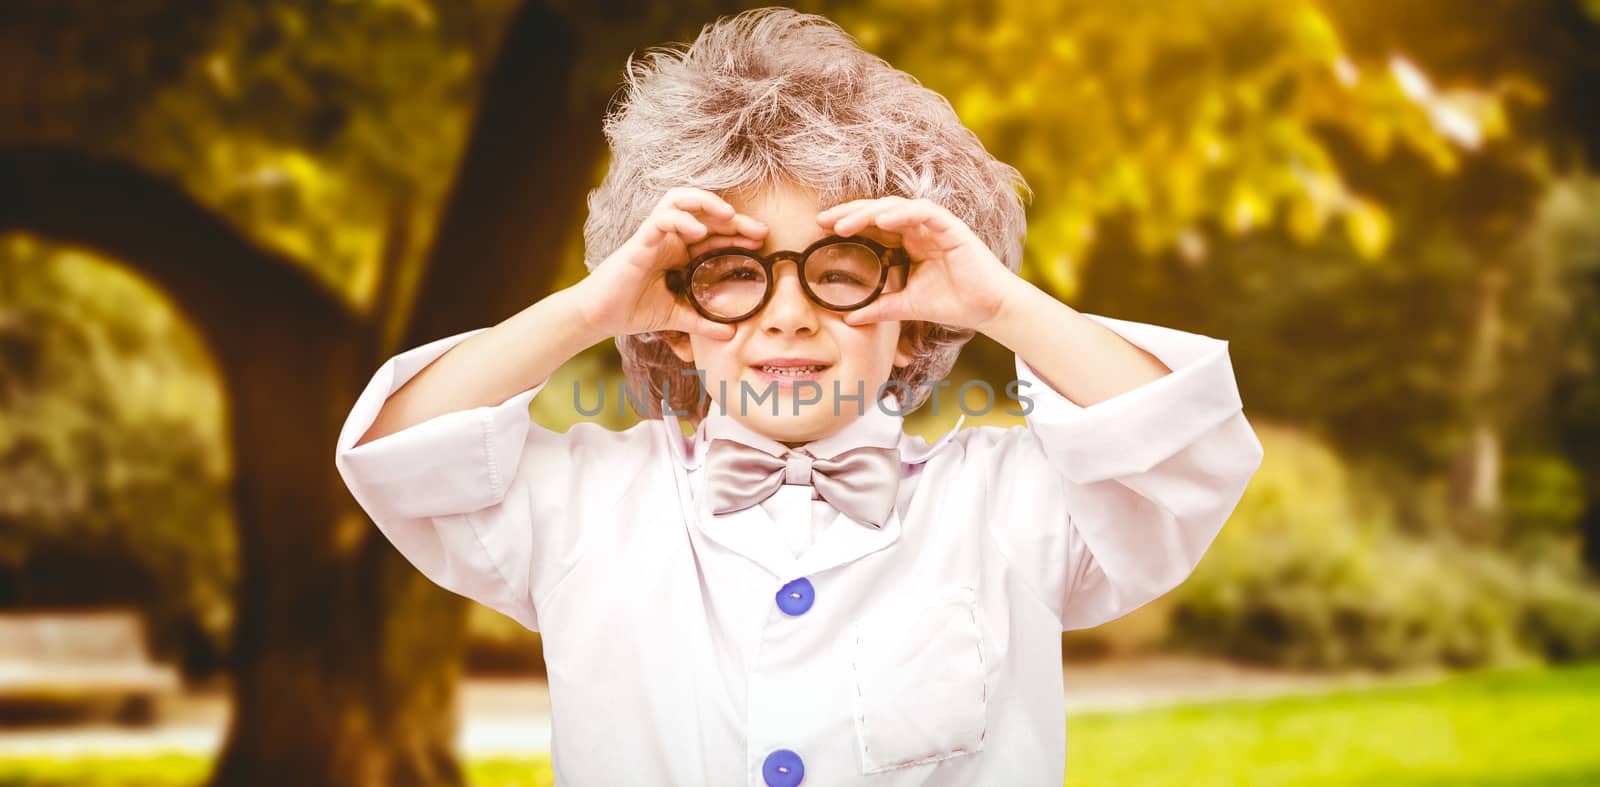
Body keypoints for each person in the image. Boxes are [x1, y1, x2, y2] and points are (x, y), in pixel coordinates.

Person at [334, 7, 1264, 786]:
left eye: (842, 268)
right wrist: (588, 310)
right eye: (732, 273)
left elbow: (1185, 456)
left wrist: (1001, 303)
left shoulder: (1012, 503)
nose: (788, 317)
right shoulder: (583, 504)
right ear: (674, 302)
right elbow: (400, 455)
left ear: (910, 301)